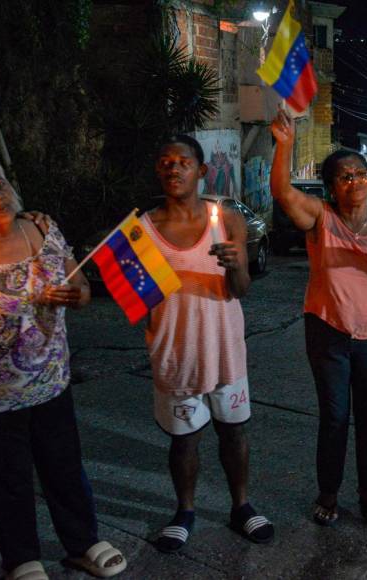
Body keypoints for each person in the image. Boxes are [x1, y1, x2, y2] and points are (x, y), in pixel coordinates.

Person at [0, 152, 127, 580]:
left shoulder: (42, 227)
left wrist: (77, 295)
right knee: (7, 480)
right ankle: (21, 559)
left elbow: (81, 285)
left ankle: (82, 543)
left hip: (52, 381)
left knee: (64, 466)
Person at [270, 110, 367, 527]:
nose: (356, 181)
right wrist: (284, 145)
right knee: (334, 416)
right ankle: (328, 492)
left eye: (361, 174)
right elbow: (283, 192)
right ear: (332, 186)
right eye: (345, 176)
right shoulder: (321, 219)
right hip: (328, 330)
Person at [143, 135, 273, 549]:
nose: (173, 168)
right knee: (184, 440)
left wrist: (237, 266)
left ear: (201, 171)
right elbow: (137, 303)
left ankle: (241, 507)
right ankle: (184, 511)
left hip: (225, 351)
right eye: (165, 161)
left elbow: (241, 290)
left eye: (183, 161)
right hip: (175, 353)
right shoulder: (143, 229)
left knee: (234, 434)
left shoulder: (224, 221)